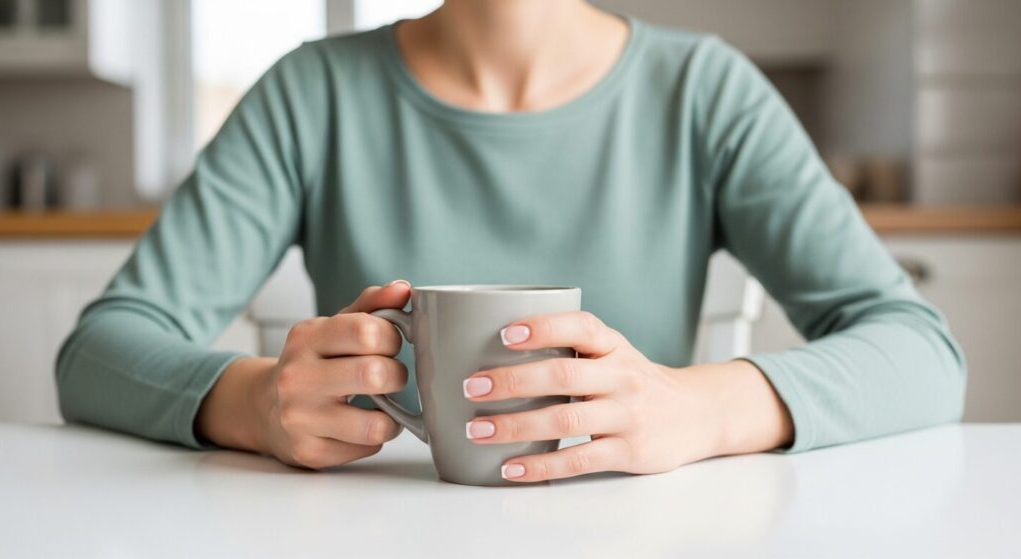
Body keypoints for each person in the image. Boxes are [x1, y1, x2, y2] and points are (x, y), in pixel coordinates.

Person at [56, 0, 965, 482]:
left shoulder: (705, 92)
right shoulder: (310, 94)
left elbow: (922, 349)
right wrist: (254, 402)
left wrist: (699, 408)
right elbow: (99, 350)